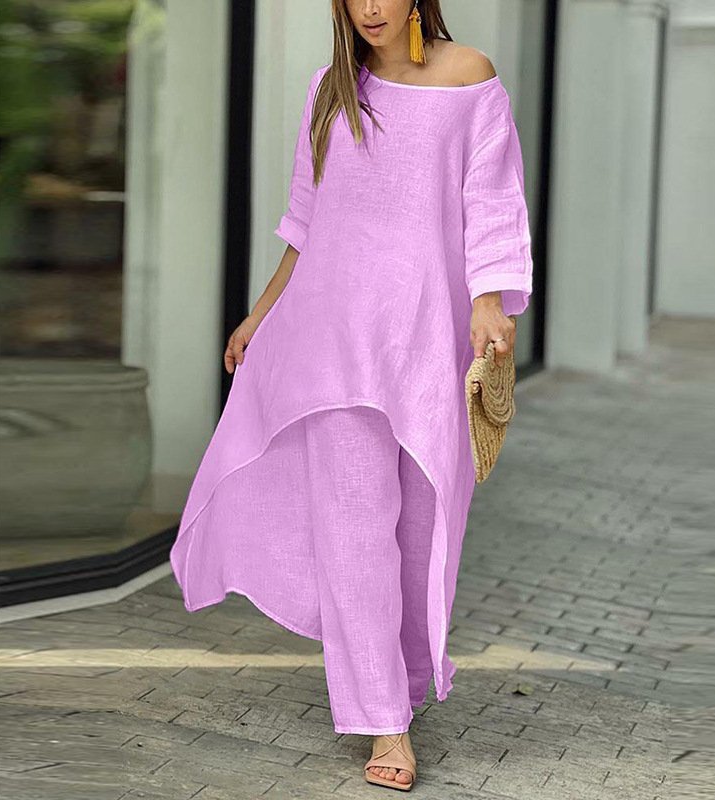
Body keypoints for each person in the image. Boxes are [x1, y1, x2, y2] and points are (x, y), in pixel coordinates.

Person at [170, 0, 533, 791]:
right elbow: (309, 223)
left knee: (424, 528)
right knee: (355, 532)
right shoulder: (331, 89)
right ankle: (384, 721)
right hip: (329, 340)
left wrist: (488, 299)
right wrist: (261, 314)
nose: (369, 7)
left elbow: (492, 199)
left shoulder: (468, 77)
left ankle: (403, 681)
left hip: (428, 337)